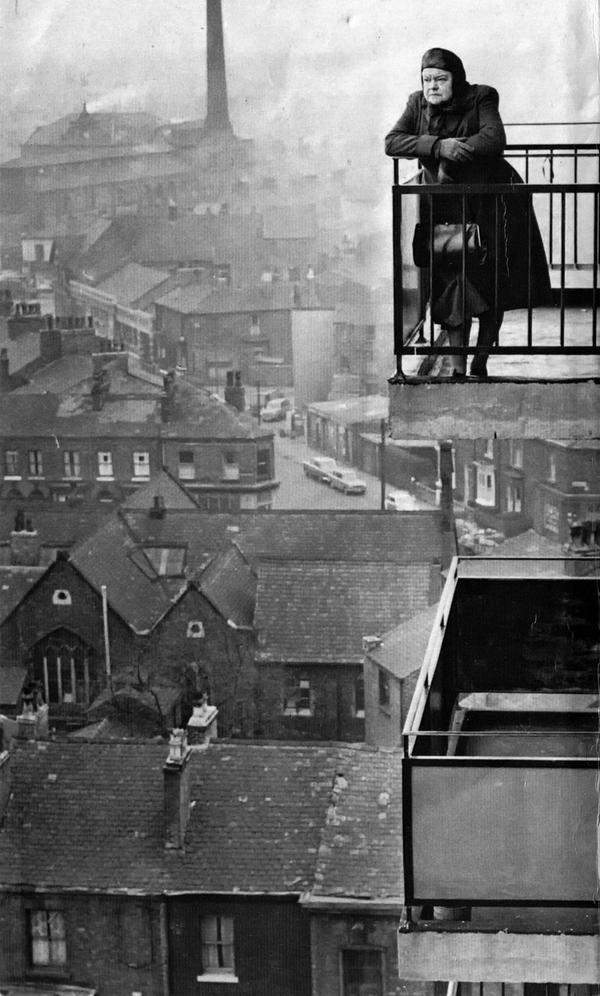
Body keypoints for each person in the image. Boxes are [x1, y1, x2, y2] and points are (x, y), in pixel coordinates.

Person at [385, 47, 552, 377]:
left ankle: (480, 362)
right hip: (446, 209)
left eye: (440, 79)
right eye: (427, 79)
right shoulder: (416, 103)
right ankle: (458, 369)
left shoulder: (482, 97)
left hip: (492, 204)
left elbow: (493, 139)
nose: (432, 86)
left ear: (456, 79)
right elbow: (392, 142)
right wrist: (437, 146)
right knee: (453, 287)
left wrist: (451, 154)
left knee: (492, 284)